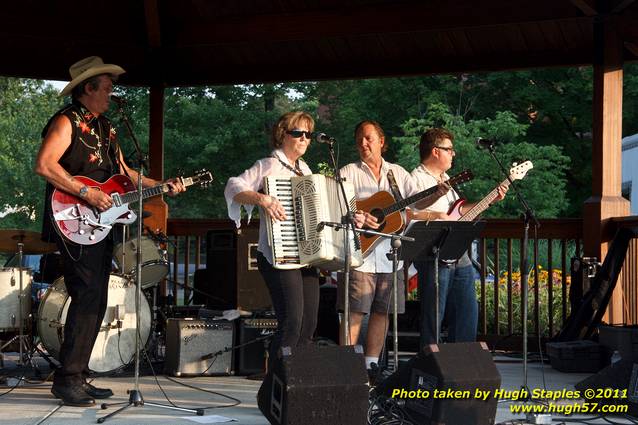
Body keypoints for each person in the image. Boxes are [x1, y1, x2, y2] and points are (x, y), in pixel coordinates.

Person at [34, 56, 185, 406]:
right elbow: (44, 164)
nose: (111, 93)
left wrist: (162, 185)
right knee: (87, 296)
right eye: (106, 87)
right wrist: (86, 192)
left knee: (97, 297)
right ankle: (67, 378)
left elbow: (124, 173)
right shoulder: (65, 120)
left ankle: (77, 374)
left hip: (99, 224)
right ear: (87, 89)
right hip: (73, 219)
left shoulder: (107, 129)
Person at [224, 111, 365, 416]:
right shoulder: (268, 165)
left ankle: (296, 386)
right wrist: (262, 199)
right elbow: (234, 185)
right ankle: (273, 392)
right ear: (283, 134)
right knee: (291, 323)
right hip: (278, 255)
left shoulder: (306, 170)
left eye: (308, 135)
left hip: (307, 257)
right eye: (298, 133)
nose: (304, 139)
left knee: (309, 324)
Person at [337, 120, 446, 373]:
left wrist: (437, 194)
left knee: (381, 311)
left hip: (390, 253)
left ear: (382, 142)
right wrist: (356, 215)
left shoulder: (397, 173)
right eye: (359, 140)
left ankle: (371, 364)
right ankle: (345, 366)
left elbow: (417, 202)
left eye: (368, 139)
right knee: (355, 311)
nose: (363, 144)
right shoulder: (347, 172)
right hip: (360, 252)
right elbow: (338, 205)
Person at [409, 128, 507, 347]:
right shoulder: (416, 178)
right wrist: (435, 210)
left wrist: (489, 200)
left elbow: (460, 212)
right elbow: (410, 209)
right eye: (449, 150)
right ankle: (430, 359)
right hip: (432, 251)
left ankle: (463, 359)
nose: (453, 154)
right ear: (435, 151)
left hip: (457, 250)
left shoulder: (447, 180)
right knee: (434, 312)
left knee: (467, 309)